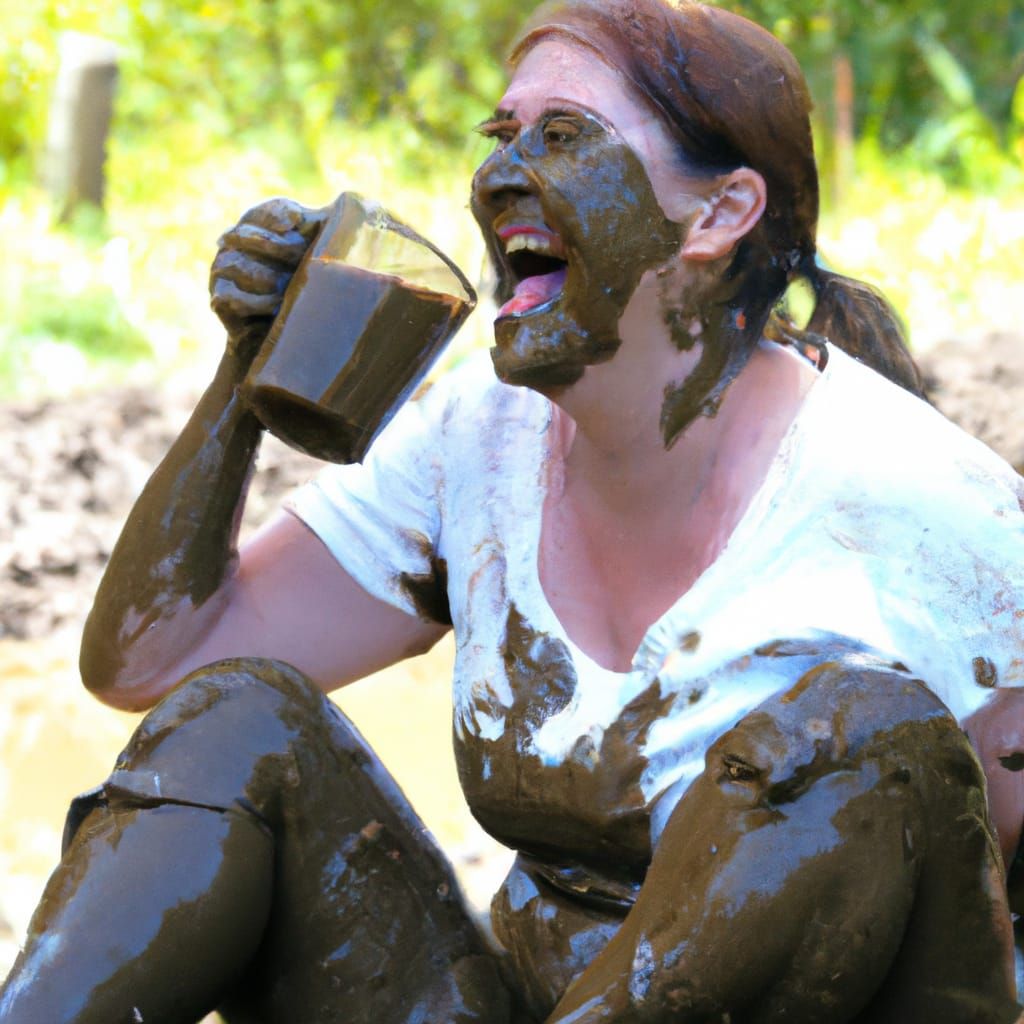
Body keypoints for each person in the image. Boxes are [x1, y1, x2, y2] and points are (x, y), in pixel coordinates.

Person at [3, 0, 1023, 1020]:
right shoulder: (474, 441)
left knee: (861, 733)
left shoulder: (922, 503)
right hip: (532, 999)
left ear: (718, 215)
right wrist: (242, 380)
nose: (500, 174)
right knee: (238, 722)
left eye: (564, 137)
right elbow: (158, 661)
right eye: (502, 137)